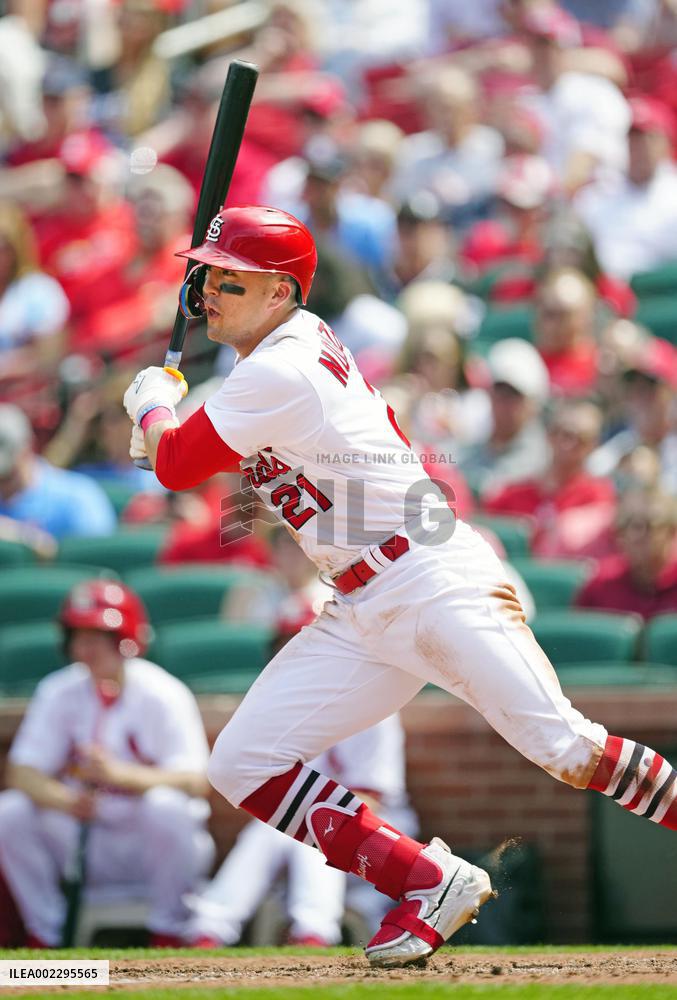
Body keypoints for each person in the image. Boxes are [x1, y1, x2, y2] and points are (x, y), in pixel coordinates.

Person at [122, 205, 677, 970]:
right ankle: (428, 881)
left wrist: (152, 403)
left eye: (231, 280)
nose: (209, 291)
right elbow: (188, 452)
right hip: (360, 604)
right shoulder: (281, 350)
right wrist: (166, 424)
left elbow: (178, 464)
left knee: (565, 747)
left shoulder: (279, 366)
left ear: (280, 294)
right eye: (209, 276)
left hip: (430, 575)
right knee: (240, 762)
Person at [0, 579, 214, 948]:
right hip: (88, 836)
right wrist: (64, 800)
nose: (86, 648)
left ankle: (170, 931)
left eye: (98, 636)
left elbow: (197, 781)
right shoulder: (59, 689)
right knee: (10, 812)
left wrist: (121, 775)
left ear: (126, 638)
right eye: (79, 636)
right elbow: (20, 772)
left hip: (149, 843)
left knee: (166, 806)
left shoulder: (162, 692)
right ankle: (46, 932)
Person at [186, 713, 414, 948]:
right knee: (265, 833)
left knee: (317, 830)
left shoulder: (376, 713)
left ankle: (313, 933)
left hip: (374, 836)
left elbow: (370, 798)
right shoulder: (298, 709)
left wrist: (307, 814)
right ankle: (207, 933)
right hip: (307, 827)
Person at [0, 404, 116, 540]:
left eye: (6, 477)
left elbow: (97, 555)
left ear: (27, 448)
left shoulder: (77, 497)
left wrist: (30, 540)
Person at [575, 489, 677, 620]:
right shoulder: (601, 582)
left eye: (650, 526)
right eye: (630, 526)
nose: (638, 536)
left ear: (671, 532)